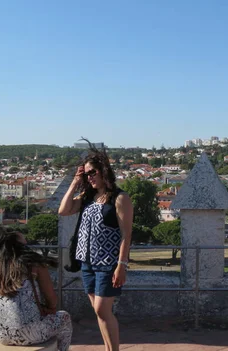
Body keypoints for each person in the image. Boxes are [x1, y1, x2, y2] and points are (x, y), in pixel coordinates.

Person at [59, 143, 133, 351]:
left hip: (108, 263)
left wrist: (122, 264)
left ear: (104, 171)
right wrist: (75, 182)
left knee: (102, 309)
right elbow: (63, 210)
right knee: (99, 311)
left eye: (93, 172)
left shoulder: (119, 198)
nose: (89, 177)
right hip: (87, 262)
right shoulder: (87, 198)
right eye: (86, 174)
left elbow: (126, 234)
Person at [0, 229, 72, 351]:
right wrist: (50, 309)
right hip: (30, 334)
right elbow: (51, 299)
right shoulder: (34, 265)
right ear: (17, 243)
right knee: (64, 318)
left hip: (2, 335)